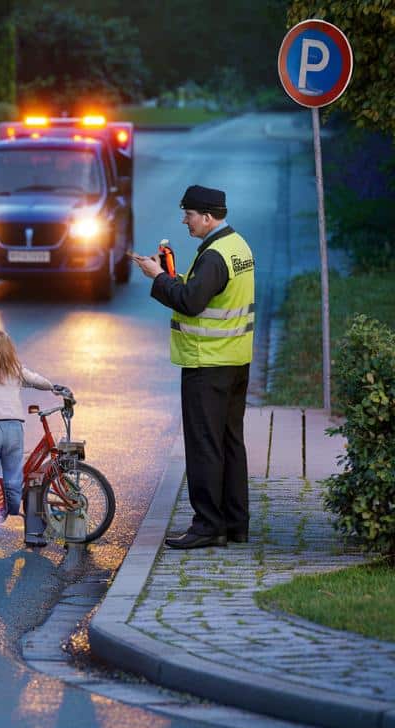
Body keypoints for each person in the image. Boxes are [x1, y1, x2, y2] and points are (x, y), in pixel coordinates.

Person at [130, 185, 255, 550]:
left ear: (207, 217)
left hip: (207, 362)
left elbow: (190, 302)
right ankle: (235, 523)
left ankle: (207, 526)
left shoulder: (215, 255)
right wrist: (171, 274)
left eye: (188, 215)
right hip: (234, 360)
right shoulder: (237, 246)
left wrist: (158, 278)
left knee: (204, 446)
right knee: (231, 444)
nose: (184, 221)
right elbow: (206, 291)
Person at [0, 330, 64, 543]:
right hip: (13, 428)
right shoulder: (15, 371)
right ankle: (11, 507)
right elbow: (36, 380)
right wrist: (52, 387)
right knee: (13, 474)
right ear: (9, 350)